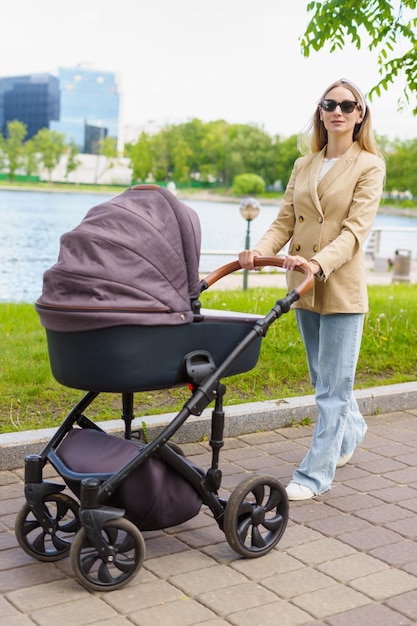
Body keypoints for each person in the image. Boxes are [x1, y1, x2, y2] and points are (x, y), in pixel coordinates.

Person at [238, 78, 385, 501]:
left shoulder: (370, 166)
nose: (337, 111)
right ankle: (351, 429)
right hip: (302, 286)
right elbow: (285, 220)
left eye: (347, 105)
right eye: (329, 104)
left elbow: (356, 231)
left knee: (332, 390)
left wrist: (318, 263)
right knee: (324, 377)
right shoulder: (304, 165)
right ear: (321, 112)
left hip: (338, 286)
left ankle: (315, 475)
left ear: (359, 115)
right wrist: (260, 251)